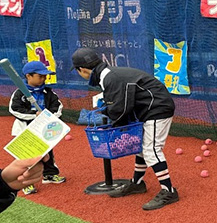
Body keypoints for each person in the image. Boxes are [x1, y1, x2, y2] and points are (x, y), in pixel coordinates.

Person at [71, 47, 179, 211]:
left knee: (151, 149)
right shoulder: (108, 75)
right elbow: (120, 105)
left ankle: (169, 191)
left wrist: (110, 122)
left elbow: (120, 109)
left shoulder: (110, 77)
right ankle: (137, 183)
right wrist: (109, 115)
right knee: (141, 147)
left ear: (82, 70)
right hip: (147, 108)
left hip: (157, 108)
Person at [9, 60, 67, 194]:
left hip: (44, 129)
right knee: (27, 157)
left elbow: (57, 107)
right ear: (28, 76)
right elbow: (15, 110)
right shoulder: (19, 93)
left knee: (48, 153)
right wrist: (34, 115)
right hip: (24, 129)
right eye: (40, 76)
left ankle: (49, 174)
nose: (43, 78)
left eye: (45, 76)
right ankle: (25, 182)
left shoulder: (48, 92)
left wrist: (47, 117)